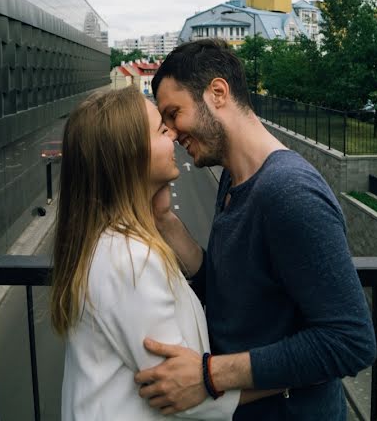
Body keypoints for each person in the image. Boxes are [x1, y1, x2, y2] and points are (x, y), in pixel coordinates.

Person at [134, 39, 377, 420]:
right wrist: (163, 218)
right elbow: (225, 288)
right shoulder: (234, 177)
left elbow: (350, 342)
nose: (171, 132)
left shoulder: (289, 192)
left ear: (217, 93)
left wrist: (209, 374)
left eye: (173, 113)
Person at [51, 87, 278, 420]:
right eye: (161, 129)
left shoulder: (111, 243)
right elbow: (182, 392)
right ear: (131, 155)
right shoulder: (130, 260)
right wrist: (289, 378)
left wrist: (158, 214)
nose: (173, 134)